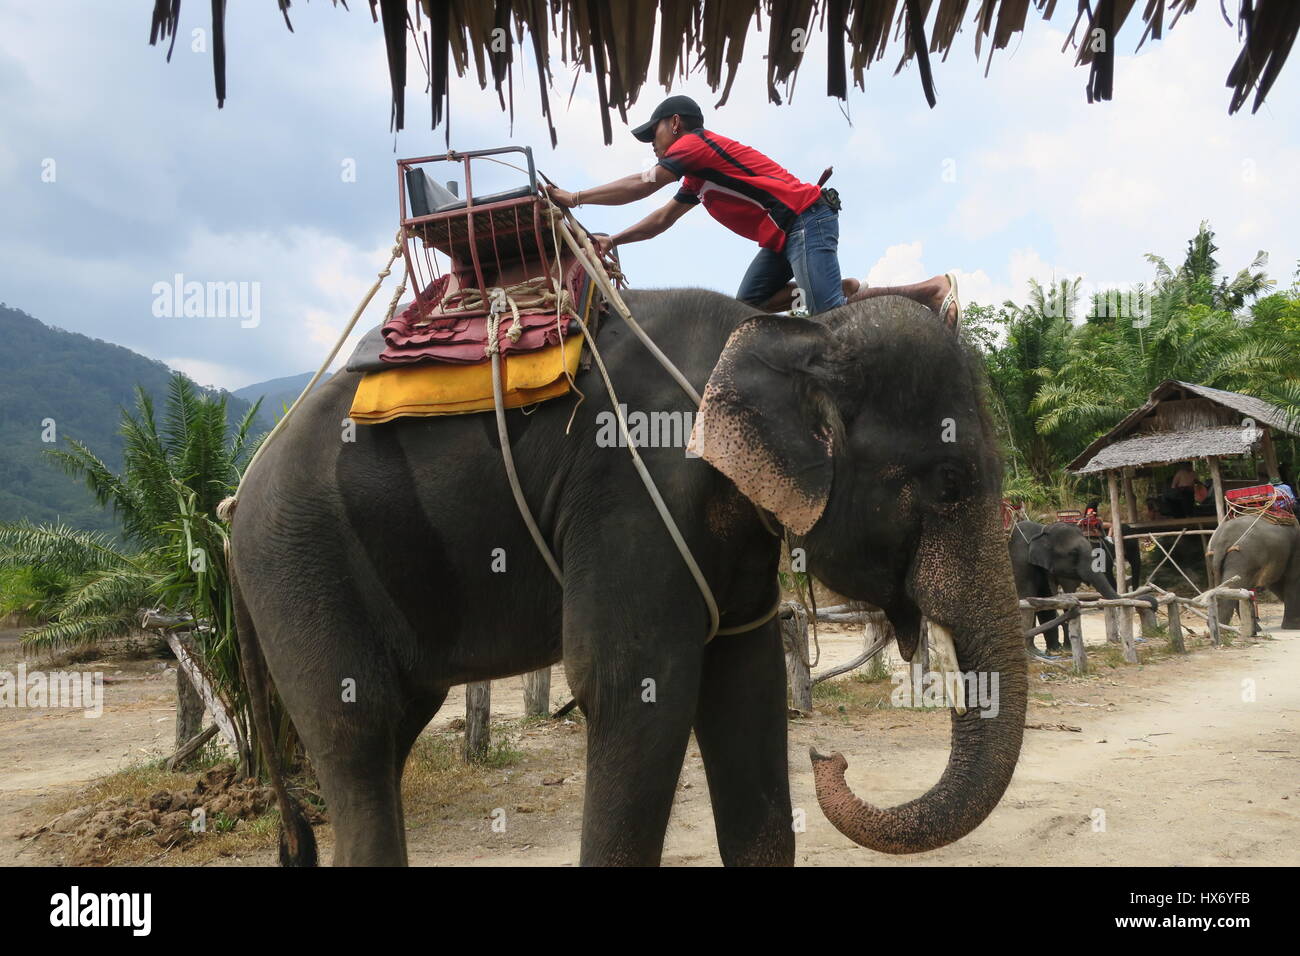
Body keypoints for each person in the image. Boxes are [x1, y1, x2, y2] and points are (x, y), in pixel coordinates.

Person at [545, 94, 960, 323]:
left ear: (675, 123)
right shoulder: (697, 173)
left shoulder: (692, 146)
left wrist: (574, 197)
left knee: (829, 314)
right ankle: (838, 288)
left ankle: (929, 290)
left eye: (651, 133)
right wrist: (613, 239)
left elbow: (644, 183)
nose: (650, 143)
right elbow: (661, 219)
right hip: (783, 237)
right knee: (746, 308)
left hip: (805, 219)